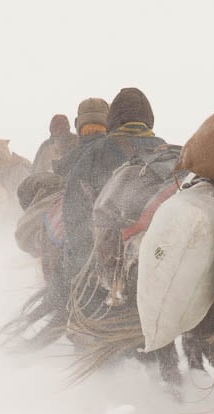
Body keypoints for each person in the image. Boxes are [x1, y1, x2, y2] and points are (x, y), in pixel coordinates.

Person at [61, 88, 165, 282]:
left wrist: (82, 265)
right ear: (149, 118)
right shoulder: (165, 150)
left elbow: (73, 210)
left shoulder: (95, 153)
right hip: (160, 259)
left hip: (109, 268)